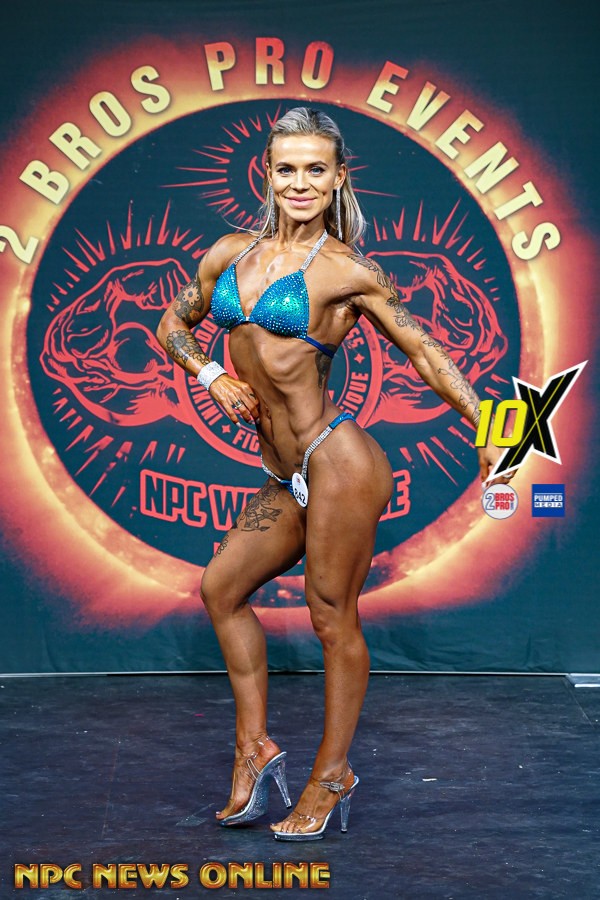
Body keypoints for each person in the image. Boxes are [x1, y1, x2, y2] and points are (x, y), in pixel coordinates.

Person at [156, 107, 508, 841]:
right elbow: (172, 325)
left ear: (339, 177)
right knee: (221, 590)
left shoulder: (349, 270)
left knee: (329, 616)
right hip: (283, 472)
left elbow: (423, 350)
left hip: (338, 462)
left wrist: (487, 424)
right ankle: (254, 751)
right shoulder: (229, 253)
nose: (300, 182)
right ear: (267, 173)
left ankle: (331, 775)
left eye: (316, 169)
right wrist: (211, 374)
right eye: (287, 168)